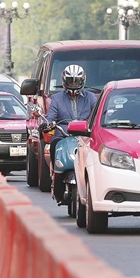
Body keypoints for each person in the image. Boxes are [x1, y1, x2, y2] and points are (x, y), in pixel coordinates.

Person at [44, 65, 97, 203]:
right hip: (63, 135)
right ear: (64, 81)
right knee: (54, 144)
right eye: (70, 81)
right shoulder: (57, 98)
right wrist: (47, 123)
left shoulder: (91, 98)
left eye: (76, 81)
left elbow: (97, 116)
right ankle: (56, 178)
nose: (73, 84)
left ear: (82, 81)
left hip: (84, 136)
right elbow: (51, 116)